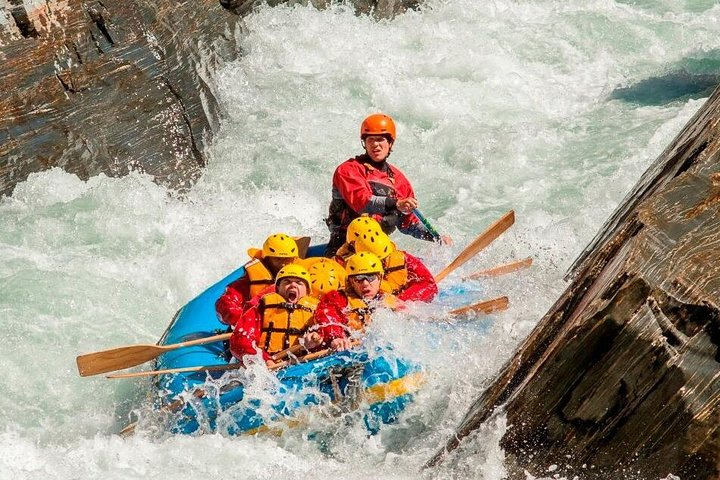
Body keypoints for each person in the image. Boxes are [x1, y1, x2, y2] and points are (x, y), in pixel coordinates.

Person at [324, 113, 450, 257]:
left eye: (380, 139)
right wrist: (396, 203)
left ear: (390, 143)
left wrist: (436, 237)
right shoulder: (348, 169)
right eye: (370, 139)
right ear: (364, 143)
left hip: (379, 252)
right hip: (343, 249)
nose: (375, 144)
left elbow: (408, 223)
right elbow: (362, 202)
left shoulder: (399, 181)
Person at [229, 264, 322, 366]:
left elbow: (328, 332)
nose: (293, 285)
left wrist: (316, 339)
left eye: (299, 283)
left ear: (308, 291)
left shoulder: (318, 310)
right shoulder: (261, 308)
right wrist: (264, 360)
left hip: (305, 364)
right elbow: (241, 340)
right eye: (287, 282)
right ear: (277, 288)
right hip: (268, 365)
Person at [314, 252, 400, 352]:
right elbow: (327, 315)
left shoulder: (389, 299)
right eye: (358, 279)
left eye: (371, 277)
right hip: (349, 353)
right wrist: (336, 337)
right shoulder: (337, 298)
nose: (365, 283)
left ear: (380, 278)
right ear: (351, 282)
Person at [216, 233, 300, 328]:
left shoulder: (303, 277)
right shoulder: (248, 282)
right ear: (267, 259)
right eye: (278, 259)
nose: (283, 265)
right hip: (256, 328)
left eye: (288, 259)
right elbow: (226, 304)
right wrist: (248, 320)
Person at [354, 229, 438, 303]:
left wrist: (402, 300)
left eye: (384, 259)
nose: (382, 263)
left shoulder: (403, 259)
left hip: (404, 295)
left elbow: (430, 285)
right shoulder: (354, 269)